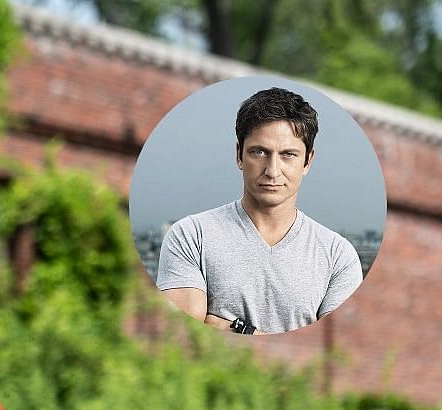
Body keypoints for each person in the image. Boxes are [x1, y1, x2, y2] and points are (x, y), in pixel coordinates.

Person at [156, 87, 363, 335]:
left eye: (288, 155)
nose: (272, 171)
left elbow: (331, 356)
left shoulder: (338, 257)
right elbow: (181, 339)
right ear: (239, 155)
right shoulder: (191, 236)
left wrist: (236, 329)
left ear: (308, 161)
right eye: (260, 152)